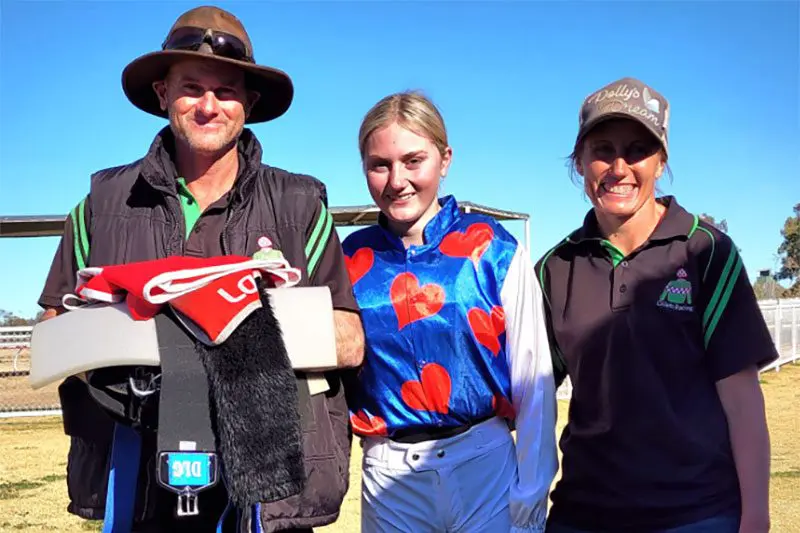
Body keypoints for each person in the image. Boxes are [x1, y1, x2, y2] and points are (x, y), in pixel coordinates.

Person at [37, 5, 364, 532]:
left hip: (268, 481)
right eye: (192, 87)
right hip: (137, 467)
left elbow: (348, 340)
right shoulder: (100, 203)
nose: (209, 106)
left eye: (227, 91)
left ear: (249, 105)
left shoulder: (302, 204)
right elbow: (52, 333)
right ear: (163, 94)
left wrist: (223, 309)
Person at [536, 77, 778, 533]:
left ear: (661, 161)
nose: (619, 167)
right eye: (603, 149)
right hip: (583, 514)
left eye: (637, 150)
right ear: (580, 161)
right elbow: (530, 394)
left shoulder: (705, 251)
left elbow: (743, 400)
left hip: (697, 513)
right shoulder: (555, 267)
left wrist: (756, 518)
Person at [341, 91, 558, 532]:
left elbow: (534, 377)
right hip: (390, 479)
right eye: (379, 164)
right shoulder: (348, 260)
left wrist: (533, 491)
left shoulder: (491, 247)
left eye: (413, 160)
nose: (396, 180)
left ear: (445, 158)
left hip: (486, 467)